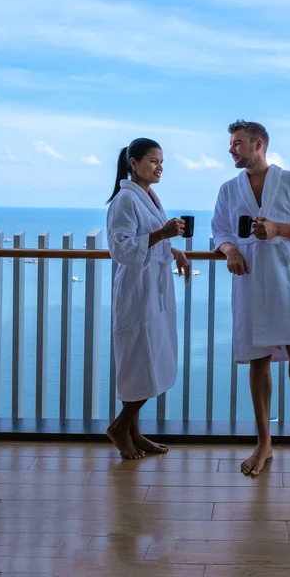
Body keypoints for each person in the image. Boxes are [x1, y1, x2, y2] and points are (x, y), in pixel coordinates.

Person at [211, 120, 290, 476]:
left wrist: (277, 228)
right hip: (248, 279)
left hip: (287, 278)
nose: (231, 149)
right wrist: (230, 251)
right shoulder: (229, 189)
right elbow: (219, 232)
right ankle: (264, 442)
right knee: (257, 357)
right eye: (231, 144)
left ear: (258, 143)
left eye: (237, 143)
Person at [106, 138, 190, 460]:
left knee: (149, 358)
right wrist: (164, 235)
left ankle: (135, 433)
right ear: (133, 163)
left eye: (161, 162)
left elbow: (149, 239)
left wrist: (175, 250)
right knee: (141, 363)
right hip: (137, 291)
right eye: (153, 161)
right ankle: (120, 428)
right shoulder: (124, 201)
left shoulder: (147, 197)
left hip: (153, 289)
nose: (159, 168)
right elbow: (123, 248)